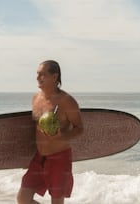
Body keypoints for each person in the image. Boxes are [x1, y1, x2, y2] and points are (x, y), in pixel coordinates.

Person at [17, 60, 84, 204]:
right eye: (37, 74)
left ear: (55, 77)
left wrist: (62, 137)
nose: (38, 78)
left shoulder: (66, 101)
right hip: (39, 158)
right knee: (23, 198)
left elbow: (80, 128)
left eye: (43, 74)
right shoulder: (36, 99)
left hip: (60, 159)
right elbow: (35, 131)